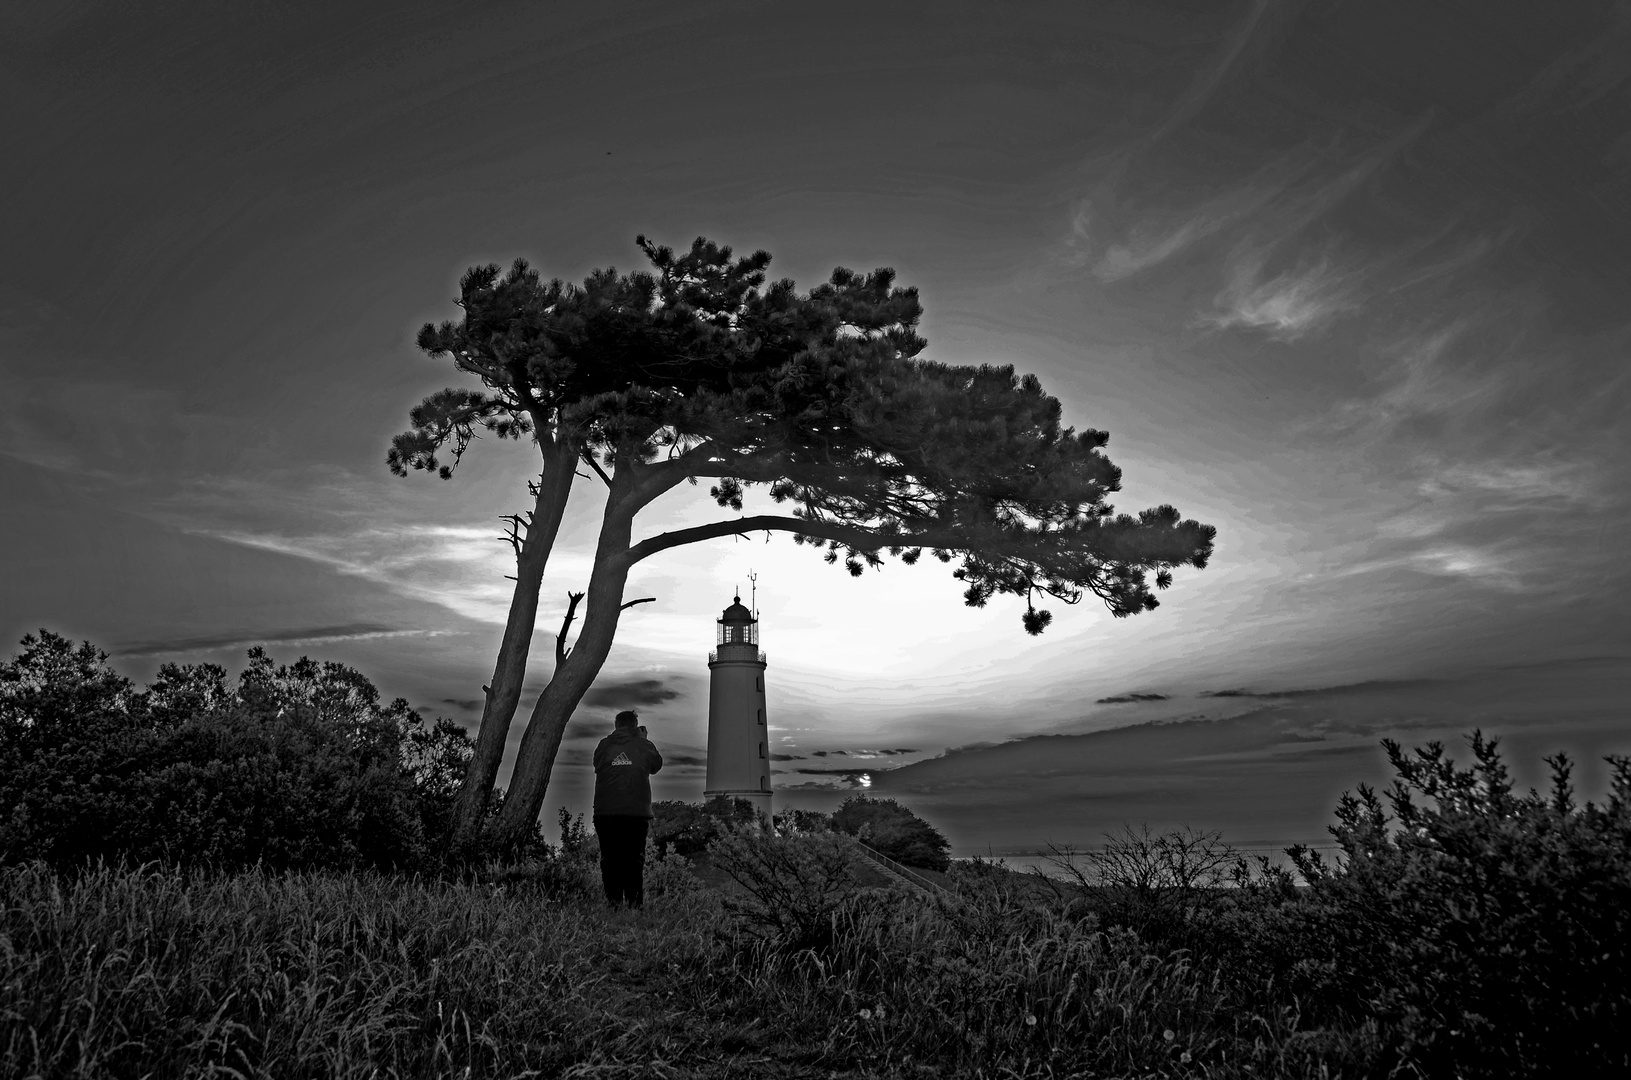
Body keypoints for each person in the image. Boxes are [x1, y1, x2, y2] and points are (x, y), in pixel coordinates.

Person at [591, 709, 663, 908]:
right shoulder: (643, 745)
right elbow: (656, 765)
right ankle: (634, 905)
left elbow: (597, 763)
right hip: (636, 813)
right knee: (634, 860)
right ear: (635, 725)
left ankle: (613, 903)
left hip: (605, 812)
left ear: (616, 725)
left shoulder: (604, 745)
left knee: (609, 859)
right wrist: (643, 740)